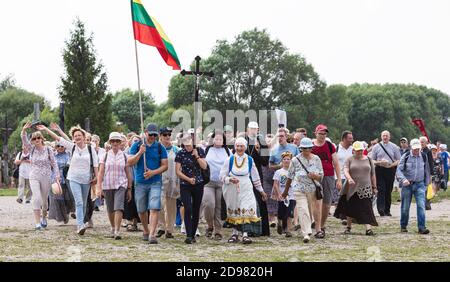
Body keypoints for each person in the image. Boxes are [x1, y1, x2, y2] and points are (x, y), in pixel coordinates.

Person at [39, 124, 99, 235]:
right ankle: (80, 225)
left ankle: (83, 221)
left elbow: (95, 165)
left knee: (84, 203)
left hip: (86, 180)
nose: (77, 137)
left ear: (84, 136)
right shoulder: (72, 147)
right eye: (75, 136)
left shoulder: (91, 149)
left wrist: (97, 179)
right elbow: (58, 138)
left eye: (79, 135)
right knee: (79, 202)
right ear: (73, 138)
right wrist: (46, 129)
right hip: (73, 178)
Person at [220, 137, 268, 245]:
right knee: (235, 209)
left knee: (246, 208)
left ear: (245, 147)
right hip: (232, 188)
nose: (239, 148)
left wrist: (261, 191)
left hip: (246, 187)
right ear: (235, 147)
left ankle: (245, 235)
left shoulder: (250, 160)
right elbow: (221, 176)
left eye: (241, 146)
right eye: (237, 146)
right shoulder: (229, 159)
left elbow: (255, 178)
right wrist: (229, 179)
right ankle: (235, 233)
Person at [128, 123, 168, 244]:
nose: (152, 137)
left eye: (155, 135)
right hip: (140, 182)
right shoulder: (137, 145)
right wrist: (140, 153)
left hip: (155, 181)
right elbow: (129, 162)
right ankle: (145, 230)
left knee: (154, 207)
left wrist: (153, 172)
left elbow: (165, 166)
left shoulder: (160, 147)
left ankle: (152, 234)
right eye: (150, 134)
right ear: (145, 132)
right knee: (141, 209)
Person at [282, 137, 323, 242]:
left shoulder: (316, 159)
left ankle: (309, 228)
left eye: (308, 148)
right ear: (301, 149)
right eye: (304, 148)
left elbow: (321, 176)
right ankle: (306, 233)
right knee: (302, 209)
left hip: (312, 189)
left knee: (309, 210)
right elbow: (290, 176)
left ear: (311, 148)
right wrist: (286, 191)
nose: (306, 150)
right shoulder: (295, 160)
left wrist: (315, 176)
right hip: (298, 188)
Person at [21, 123, 60, 230]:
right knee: (36, 198)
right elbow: (24, 141)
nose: (37, 139)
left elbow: (54, 163)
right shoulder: (31, 149)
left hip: (46, 176)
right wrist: (24, 130)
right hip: (34, 176)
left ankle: (44, 217)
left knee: (44, 202)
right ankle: (37, 223)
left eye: (38, 137)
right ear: (32, 140)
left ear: (42, 139)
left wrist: (57, 176)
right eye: (34, 138)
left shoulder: (48, 149)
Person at [334, 141, 378, 235]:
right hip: (352, 188)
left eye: (361, 150)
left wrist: (374, 187)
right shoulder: (349, 159)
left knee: (367, 207)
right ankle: (348, 227)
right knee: (350, 207)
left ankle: (368, 229)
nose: (360, 152)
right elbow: (345, 170)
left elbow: (373, 175)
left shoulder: (369, 160)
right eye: (357, 150)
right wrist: (349, 179)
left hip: (365, 188)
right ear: (353, 150)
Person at [96, 132, 133, 240]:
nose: (115, 143)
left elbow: (128, 173)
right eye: (113, 141)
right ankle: (113, 227)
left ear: (120, 142)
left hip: (121, 185)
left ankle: (117, 230)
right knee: (110, 209)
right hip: (108, 185)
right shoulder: (105, 156)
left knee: (119, 207)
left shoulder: (125, 156)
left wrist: (129, 188)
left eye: (117, 141)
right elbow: (101, 172)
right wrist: (99, 187)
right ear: (110, 142)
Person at [175, 133, 208, 244]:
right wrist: (188, 179)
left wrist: (197, 156)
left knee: (196, 209)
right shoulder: (180, 153)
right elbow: (178, 171)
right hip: (185, 184)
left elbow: (204, 166)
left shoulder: (199, 150)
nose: (188, 145)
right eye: (185, 142)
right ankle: (188, 234)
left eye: (189, 142)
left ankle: (193, 234)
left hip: (198, 184)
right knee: (188, 208)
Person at [311, 124, 341, 236]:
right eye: (320, 133)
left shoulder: (329, 145)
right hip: (314, 176)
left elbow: (336, 163)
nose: (323, 136)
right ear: (315, 133)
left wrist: (338, 179)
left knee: (327, 202)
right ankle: (317, 225)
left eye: (324, 134)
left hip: (328, 175)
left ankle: (322, 225)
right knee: (316, 202)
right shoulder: (311, 146)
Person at [396, 139, 431, 234]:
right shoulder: (406, 156)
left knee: (421, 205)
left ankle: (422, 228)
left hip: (420, 184)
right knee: (405, 207)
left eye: (418, 148)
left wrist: (427, 184)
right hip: (407, 185)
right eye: (415, 148)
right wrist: (403, 180)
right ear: (411, 147)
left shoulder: (424, 156)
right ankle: (403, 226)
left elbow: (427, 170)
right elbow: (398, 170)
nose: (416, 150)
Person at [202, 131, 231, 241]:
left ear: (223, 140)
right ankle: (210, 225)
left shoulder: (227, 151)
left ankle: (218, 231)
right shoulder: (207, 149)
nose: (218, 140)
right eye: (216, 138)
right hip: (208, 182)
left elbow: (232, 163)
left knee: (219, 207)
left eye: (221, 138)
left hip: (221, 183)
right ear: (213, 139)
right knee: (209, 204)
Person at [269, 128, 299, 227]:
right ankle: (280, 222)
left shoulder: (294, 148)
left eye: (282, 136)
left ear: (286, 136)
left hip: (293, 180)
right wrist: (280, 166)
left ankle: (289, 228)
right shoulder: (274, 150)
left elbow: (300, 162)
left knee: (292, 204)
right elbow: (270, 166)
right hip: (280, 180)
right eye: (278, 136)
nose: (280, 138)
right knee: (281, 206)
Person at [246, 121, 271, 236]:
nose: (252, 131)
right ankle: (247, 228)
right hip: (244, 174)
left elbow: (265, 162)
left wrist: (258, 151)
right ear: (247, 130)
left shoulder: (262, 143)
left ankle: (262, 229)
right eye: (251, 129)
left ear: (258, 130)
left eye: (255, 129)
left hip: (257, 174)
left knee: (259, 199)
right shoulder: (243, 142)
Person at [156, 127, 180, 239]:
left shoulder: (176, 150)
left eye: (169, 135)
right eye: (165, 135)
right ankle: (161, 226)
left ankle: (170, 229)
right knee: (159, 204)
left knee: (171, 206)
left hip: (172, 180)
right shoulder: (156, 148)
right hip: (159, 179)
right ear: (160, 136)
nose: (167, 137)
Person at [370, 130, 401, 216]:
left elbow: (399, 160)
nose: (385, 137)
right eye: (383, 135)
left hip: (390, 170)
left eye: (386, 135)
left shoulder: (394, 147)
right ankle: (381, 209)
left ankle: (387, 210)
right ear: (381, 137)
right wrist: (379, 162)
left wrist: (391, 165)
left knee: (388, 190)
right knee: (381, 189)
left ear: (389, 137)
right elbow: (372, 160)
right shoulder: (376, 147)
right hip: (379, 169)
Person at [48, 141, 75, 224]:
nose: (60, 147)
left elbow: (70, 164)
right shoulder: (52, 155)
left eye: (62, 146)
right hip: (55, 179)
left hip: (66, 178)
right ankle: (60, 218)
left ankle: (66, 214)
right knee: (57, 199)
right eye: (58, 146)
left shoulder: (68, 154)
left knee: (67, 198)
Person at [272, 151, 295, 237]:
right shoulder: (278, 172)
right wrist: (279, 194)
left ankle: (288, 230)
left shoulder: (293, 171)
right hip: (282, 195)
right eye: (284, 159)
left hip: (291, 195)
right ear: (282, 161)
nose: (286, 161)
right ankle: (280, 223)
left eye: (288, 159)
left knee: (289, 213)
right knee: (281, 213)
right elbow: (276, 184)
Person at [336, 131, 354, 225]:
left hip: (351, 177)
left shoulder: (353, 149)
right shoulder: (337, 148)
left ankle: (346, 215)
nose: (352, 140)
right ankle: (343, 215)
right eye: (350, 138)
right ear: (344, 139)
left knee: (349, 197)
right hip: (339, 176)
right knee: (342, 196)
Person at [419, 136, 434, 210]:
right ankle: (422, 203)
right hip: (419, 173)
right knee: (421, 188)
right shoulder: (418, 150)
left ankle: (427, 204)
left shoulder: (428, 151)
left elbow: (431, 163)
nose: (421, 143)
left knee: (426, 188)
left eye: (422, 142)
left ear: (426, 143)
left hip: (426, 173)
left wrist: (431, 174)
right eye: (420, 142)